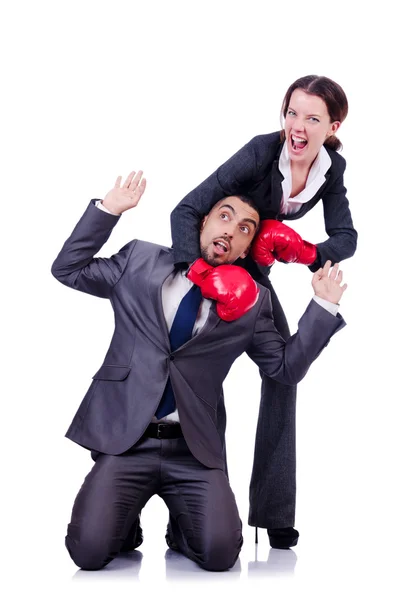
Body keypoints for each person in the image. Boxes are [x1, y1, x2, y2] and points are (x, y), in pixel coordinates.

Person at [51, 170, 347, 571]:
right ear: (203, 222)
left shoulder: (252, 301)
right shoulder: (140, 259)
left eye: (245, 228)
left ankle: (181, 529)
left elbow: (283, 369)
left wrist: (323, 308)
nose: (231, 230)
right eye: (224, 217)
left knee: (221, 554)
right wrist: (108, 210)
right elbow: (68, 269)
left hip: (193, 450)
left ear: (246, 248)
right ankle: (126, 526)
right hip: (126, 441)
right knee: (88, 553)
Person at [169, 74, 357, 548]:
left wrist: (300, 249)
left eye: (312, 118)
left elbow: (347, 238)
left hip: (255, 279)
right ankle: (198, 506)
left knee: (282, 376)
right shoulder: (260, 150)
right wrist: (197, 273)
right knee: (203, 378)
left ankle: (273, 512)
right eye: (292, 112)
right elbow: (186, 210)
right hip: (210, 265)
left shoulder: (332, 169)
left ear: (331, 126)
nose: (297, 125)